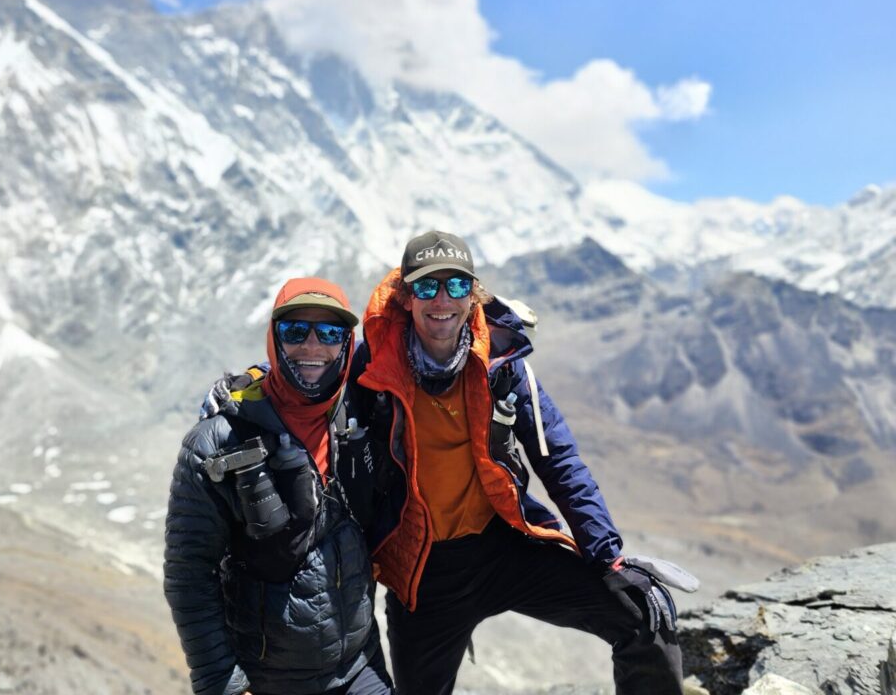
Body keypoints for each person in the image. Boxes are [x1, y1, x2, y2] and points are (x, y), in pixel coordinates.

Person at [343, 230, 697, 695]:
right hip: (426, 576)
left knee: (641, 616)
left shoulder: (502, 364)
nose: (442, 299)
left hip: (504, 547)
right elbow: (312, 375)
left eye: (456, 286)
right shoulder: (374, 367)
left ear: (474, 296)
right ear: (407, 298)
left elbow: (560, 461)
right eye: (427, 287)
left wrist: (607, 554)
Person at [163, 278, 394, 695]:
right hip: (269, 681)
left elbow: (425, 326)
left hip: (361, 667)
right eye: (294, 331)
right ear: (274, 338)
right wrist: (223, 684)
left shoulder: (361, 412)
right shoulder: (215, 443)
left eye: (329, 333)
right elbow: (189, 575)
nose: (312, 347)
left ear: (347, 343)